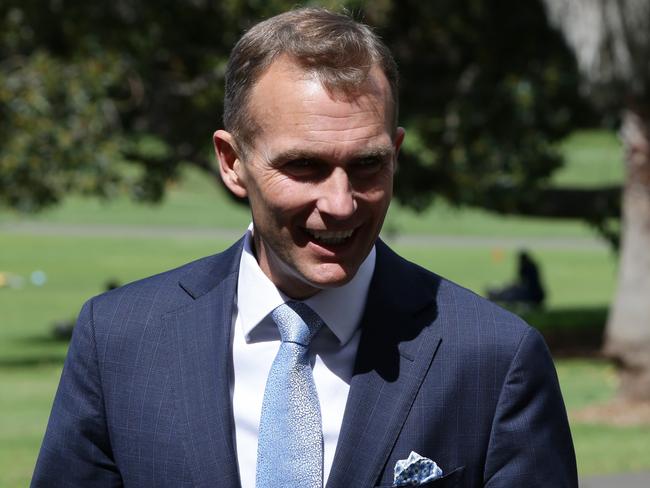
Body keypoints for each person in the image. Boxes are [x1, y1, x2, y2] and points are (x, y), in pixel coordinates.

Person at [32, 8, 577, 488]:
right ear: (232, 162)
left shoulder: (493, 358)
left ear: (397, 153)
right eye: (304, 166)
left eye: (367, 164)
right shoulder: (122, 339)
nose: (340, 203)